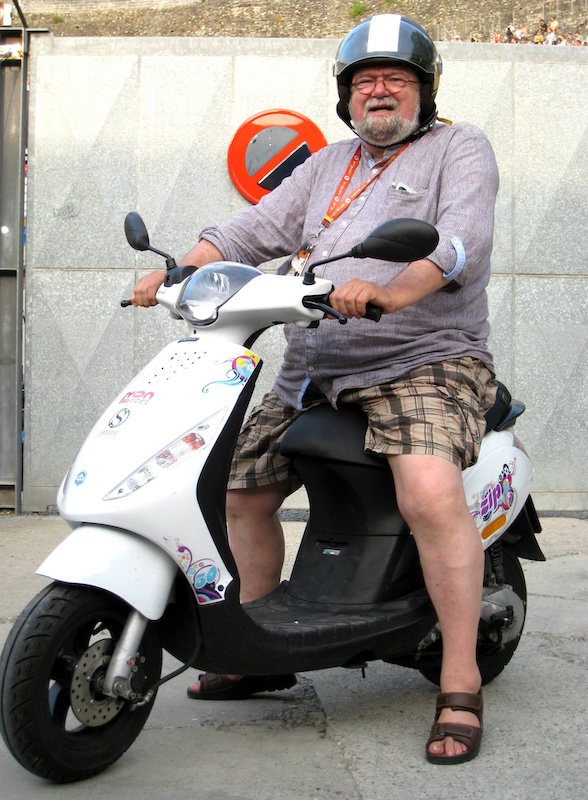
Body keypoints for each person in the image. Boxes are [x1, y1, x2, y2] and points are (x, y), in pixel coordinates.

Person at [132, 14, 499, 765]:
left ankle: (460, 678)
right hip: (313, 371)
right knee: (237, 489)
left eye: (396, 78)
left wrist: (395, 291)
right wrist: (180, 269)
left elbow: (463, 241)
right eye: (365, 80)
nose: (380, 90)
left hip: (422, 359)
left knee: (430, 494)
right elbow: (250, 231)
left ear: (425, 90)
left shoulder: (459, 147)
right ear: (346, 95)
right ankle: (260, 649)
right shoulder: (327, 164)